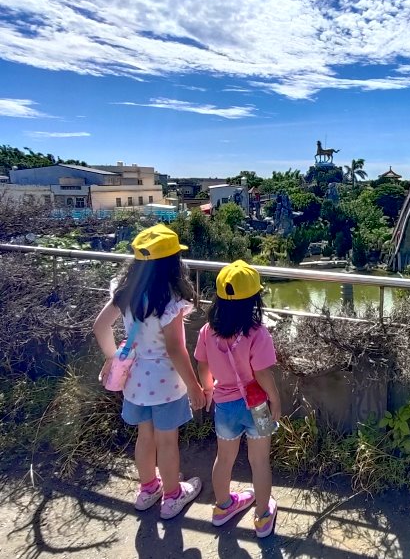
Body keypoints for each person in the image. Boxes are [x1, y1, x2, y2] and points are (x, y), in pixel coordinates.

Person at [93, 224, 205, 518]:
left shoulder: (125, 292)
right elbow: (175, 349)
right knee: (167, 441)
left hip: (136, 380)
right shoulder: (170, 300)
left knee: (145, 437)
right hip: (167, 383)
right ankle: (172, 496)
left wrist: (113, 357)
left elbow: (100, 326)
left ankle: (147, 490)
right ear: (171, 263)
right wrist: (194, 386)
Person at [195, 260, 281, 538]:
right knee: (260, 461)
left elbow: (202, 365)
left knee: (224, 458)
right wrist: (275, 399)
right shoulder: (257, 333)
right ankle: (263, 516)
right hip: (257, 405)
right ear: (254, 299)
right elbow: (262, 373)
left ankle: (222, 507)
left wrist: (207, 389)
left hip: (224, 404)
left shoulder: (208, 331)